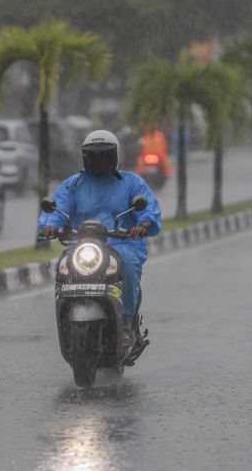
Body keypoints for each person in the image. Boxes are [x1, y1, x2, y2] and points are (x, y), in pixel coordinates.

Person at [38, 130, 162, 345]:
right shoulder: (74, 184)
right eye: (94, 156)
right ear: (85, 157)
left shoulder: (131, 182)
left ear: (115, 155)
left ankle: (126, 324)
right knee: (63, 267)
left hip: (122, 244)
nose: (99, 161)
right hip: (83, 245)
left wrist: (142, 225)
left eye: (105, 156)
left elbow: (148, 209)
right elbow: (58, 208)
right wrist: (50, 226)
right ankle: (65, 318)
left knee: (128, 265)